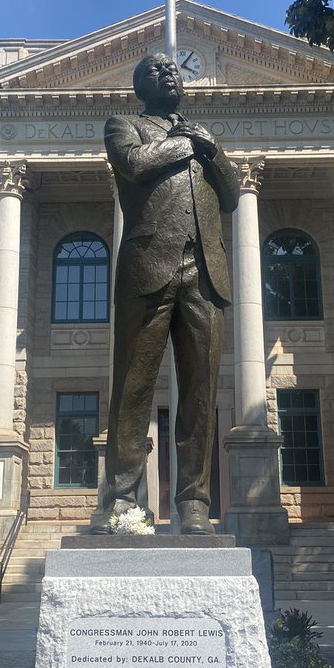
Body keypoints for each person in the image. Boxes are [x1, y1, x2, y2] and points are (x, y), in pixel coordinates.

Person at [90, 52, 239, 535]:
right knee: (133, 389)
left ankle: (193, 501)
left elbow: (233, 195)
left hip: (206, 271)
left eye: (173, 69)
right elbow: (133, 165)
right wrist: (187, 145)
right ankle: (123, 501)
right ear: (140, 87)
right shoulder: (124, 125)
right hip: (147, 268)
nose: (169, 73)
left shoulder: (202, 137)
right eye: (156, 70)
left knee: (201, 390)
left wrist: (210, 149)